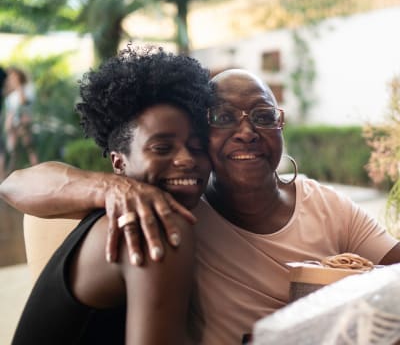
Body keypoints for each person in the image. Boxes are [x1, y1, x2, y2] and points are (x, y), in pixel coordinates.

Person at [2, 68, 400, 344]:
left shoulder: (326, 204)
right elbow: (16, 183)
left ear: (280, 127)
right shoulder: (170, 209)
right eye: (224, 117)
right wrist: (113, 188)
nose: (246, 131)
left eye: (263, 116)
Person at [9, 46, 212, 345]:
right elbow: (11, 184)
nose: (186, 159)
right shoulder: (152, 225)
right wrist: (111, 186)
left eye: (197, 148)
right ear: (119, 163)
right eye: (162, 148)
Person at [4, 67, 38, 171]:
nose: (12, 79)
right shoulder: (10, 95)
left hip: (24, 122)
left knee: (29, 146)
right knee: (13, 150)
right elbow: (10, 111)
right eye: (11, 77)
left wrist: (19, 87)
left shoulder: (28, 88)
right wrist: (7, 123)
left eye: (15, 76)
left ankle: (36, 168)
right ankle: (12, 173)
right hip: (13, 124)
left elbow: (24, 102)